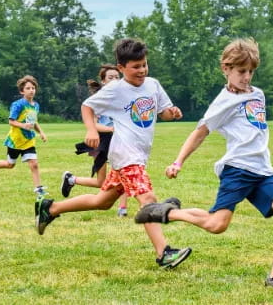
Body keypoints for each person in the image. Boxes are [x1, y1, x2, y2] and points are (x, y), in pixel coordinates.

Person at [134, 38, 273, 286]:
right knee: (217, 224)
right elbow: (200, 132)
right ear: (226, 69)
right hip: (238, 170)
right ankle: (168, 212)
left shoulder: (258, 94)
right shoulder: (223, 102)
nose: (247, 77)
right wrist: (178, 162)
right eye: (241, 71)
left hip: (263, 170)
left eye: (251, 71)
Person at [35, 38, 192, 269]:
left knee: (103, 201)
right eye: (136, 66)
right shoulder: (115, 89)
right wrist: (91, 129)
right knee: (147, 199)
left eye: (144, 65)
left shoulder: (153, 85)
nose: (142, 70)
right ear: (121, 68)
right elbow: (87, 106)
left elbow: (163, 113)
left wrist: (173, 113)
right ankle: (164, 254)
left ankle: (50, 208)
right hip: (126, 155)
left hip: (136, 154)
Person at [61, 64, 130, 217]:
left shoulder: (122, 99)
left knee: (125, 174)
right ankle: (71, 179)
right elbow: (93, 124)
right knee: (101, 182)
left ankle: (122, 209)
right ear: (103, 82)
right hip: (102, 142)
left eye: (117, 77)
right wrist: (111, 129)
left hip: (120, 141)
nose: (114, 80)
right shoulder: (98, 101)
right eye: (110, 77)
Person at [0, 75, 48, 196]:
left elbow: (33, 122)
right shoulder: (18, 105)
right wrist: (23, 126)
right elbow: (11, 121)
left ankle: (39, 189)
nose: (31, 90)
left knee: (34, 164)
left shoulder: (36, 105)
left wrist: (41, 132)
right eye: (28, 88)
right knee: (10, 164)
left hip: (28, 140)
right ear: (22, 91)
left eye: (33, 88)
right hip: (16, 140)